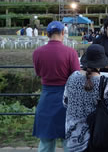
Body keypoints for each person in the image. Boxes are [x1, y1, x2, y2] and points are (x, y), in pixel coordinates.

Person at [63, 44, 108, 152]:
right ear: (101, 62)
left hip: (71, 134)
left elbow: (65, 102)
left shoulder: (72, 77)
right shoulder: (104, 82)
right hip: (92, 137)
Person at [32, 21, 80, 152]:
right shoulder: (71, 52)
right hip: (66, 99)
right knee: (68, 141)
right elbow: (76, 76)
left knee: (46, 143)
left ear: (47, 34)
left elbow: (38, 73)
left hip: (46, 98)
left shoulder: (37, 52)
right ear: (63, 33)